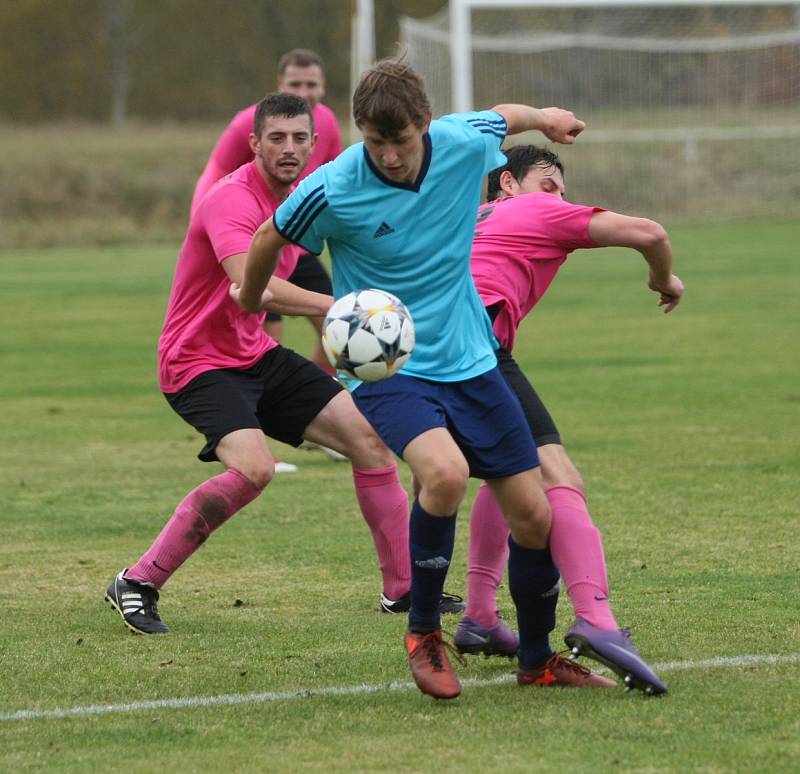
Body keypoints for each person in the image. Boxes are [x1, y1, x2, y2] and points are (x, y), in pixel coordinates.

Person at [233, 59, 616, 700]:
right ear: (361, 134)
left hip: (471, 358)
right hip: (389, 367)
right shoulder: (333, 187)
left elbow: (509, 116)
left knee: (533, 517)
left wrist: (548, 121)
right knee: (445, 473)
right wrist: (251, 294)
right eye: (375, 142)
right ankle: (423, 632)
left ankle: (537, 658)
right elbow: (270, 235)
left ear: (426, 126)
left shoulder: (463, 142)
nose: (388, 155)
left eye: (401, 141)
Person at [105, 93, 458, 636]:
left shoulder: (306, 198)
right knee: (254, 468)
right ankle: (138, 580)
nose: (289, 148)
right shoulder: (230, 201)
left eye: (299, 138)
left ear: (315, 145)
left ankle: (403, 590)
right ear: (255, 144)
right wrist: (345, 309)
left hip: (254, 354)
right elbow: (254, 287)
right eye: (277, 138)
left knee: (369, 441)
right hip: (196, 360)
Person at [452, 144, 682, 694]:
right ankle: (597, 618)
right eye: (548, 182)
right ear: (507, 183)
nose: (559, 197)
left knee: (506, 472)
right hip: (476, 348)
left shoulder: (466, 219)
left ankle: (481, 615)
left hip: (437, 349)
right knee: (560, 477)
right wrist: (663, 280)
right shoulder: (531, 210)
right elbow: (651, 233)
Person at [191, 49, 344, 462]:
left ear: (323, 88)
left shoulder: (326, 123)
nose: (304, 92)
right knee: (265, 331)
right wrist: (208, 234)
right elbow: (213, 173)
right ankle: (257, 439)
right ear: (280, 85)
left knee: (340, 333)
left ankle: (327, 424)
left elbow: (331, 186)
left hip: (291, 240)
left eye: (311, 85)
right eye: (295, 85)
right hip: (244, 243)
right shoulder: (250, 121)